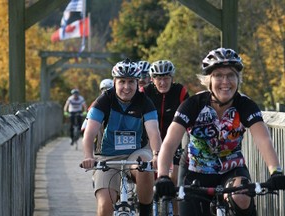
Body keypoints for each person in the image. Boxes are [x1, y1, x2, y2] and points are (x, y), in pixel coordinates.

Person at [155, 48, 284, 216]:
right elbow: (170, 142)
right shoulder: (193, 104)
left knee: (242, 197)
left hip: (232, 170)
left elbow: (263, 139)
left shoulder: (245, 105)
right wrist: (163, 176)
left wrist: (276, 171)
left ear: (238, 79)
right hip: (195, 171)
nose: (225, 81)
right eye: (218, 75)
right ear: (208, 80)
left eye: (231, 75)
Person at [80, 58, 162, 216]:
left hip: (136, 152)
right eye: (122, 81)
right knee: (105, 206)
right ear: (114, 82)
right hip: (107, 156)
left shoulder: (145, 101)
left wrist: (157, 155)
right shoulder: (103, 101)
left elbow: (153, 131)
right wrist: (88, 156)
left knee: (145, 166)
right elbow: (89, 132)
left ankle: (146, 211)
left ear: (137, 83)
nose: (126, 87)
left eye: (131, 82)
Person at [140, 59, 189, 215]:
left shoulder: (180, 92)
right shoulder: (144, 92)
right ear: (152, 79)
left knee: (173, 180)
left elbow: (191, 116)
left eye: (166, 77)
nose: (162, 82)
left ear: (172, 78)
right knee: (146, 178)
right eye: (158, 78)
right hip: (148, 143)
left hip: (173, 143)